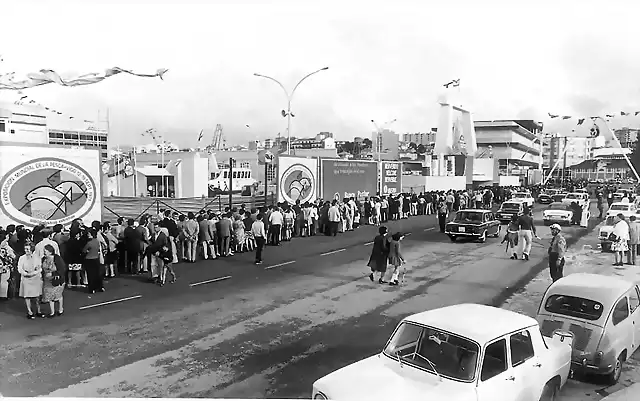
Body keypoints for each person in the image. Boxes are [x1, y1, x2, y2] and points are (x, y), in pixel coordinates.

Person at [18, 242, 43, 319]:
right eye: (25, 249)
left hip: (35, 278)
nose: (26, 251)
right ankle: (30, 312)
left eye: (28, 249)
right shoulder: (22, 258)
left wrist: (33, 273)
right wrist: (25, 274)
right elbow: (19, 268)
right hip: (26, 278)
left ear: (32, 250)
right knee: (27, 296)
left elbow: (39, 268)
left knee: (37, 296)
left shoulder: (37, 258)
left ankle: (38, 311)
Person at [41, 244, 66, 317]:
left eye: (45, 251)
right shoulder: (43, 259)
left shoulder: (57, 258)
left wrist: (53, 273)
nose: (44, 252)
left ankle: (60, 309)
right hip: (47, 281)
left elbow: (62, 269)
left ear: (50, 252)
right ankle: (52, 312)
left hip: (57, 280)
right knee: (50, 296)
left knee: (58, 296)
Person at [82, 229, 104, 294]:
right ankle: (99, 287)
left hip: (89, 260)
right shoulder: (97, 241)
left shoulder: (89, 243)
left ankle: (91, 289)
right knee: (97, 274)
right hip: (96, 259)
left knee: (90, 275)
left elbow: (84, 251)